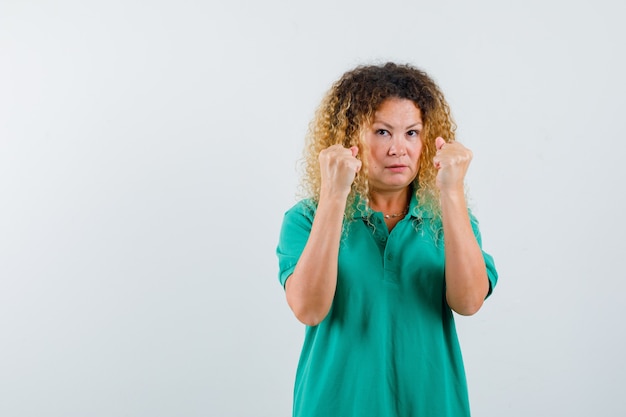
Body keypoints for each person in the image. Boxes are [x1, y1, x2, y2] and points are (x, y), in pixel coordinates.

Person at [276, 62, 498, 417]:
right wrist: (335, 194)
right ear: (350, 139)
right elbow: (309, 308)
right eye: (382, 132)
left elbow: (469, 302)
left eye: (411, 133)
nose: (399, 149)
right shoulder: (305, 219)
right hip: (335, 406)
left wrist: (452, 191)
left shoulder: (449, 219)